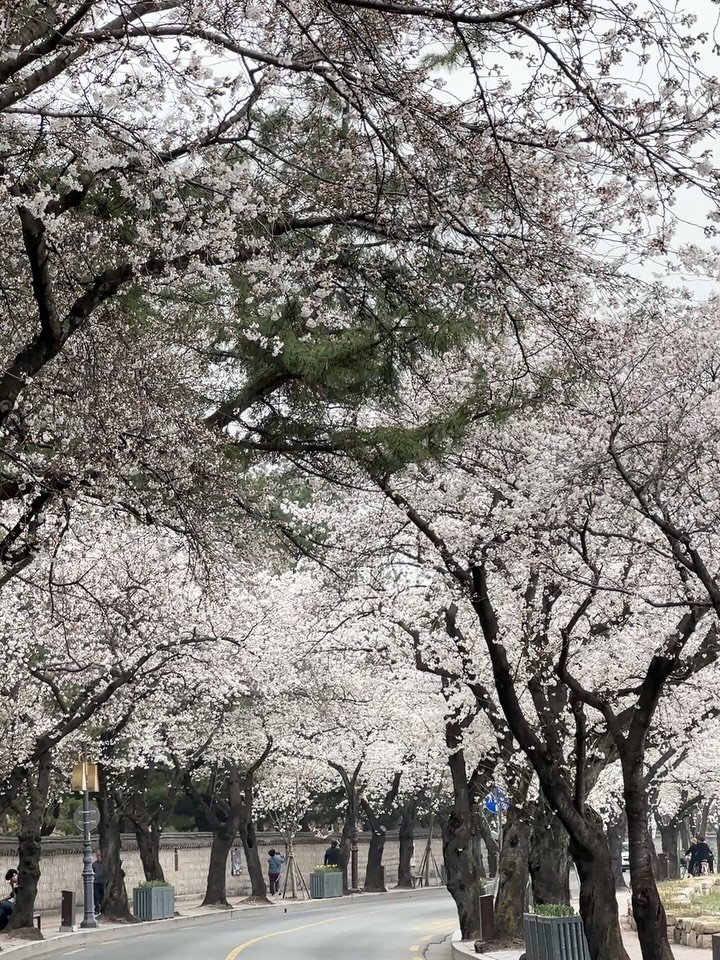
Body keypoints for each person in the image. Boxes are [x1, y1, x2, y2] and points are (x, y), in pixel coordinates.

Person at [92, 850, 104, 915]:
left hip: (103, 883)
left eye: (99, 855)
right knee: (96, 897)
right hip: (96, 882)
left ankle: (102, 909)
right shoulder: (94, 864)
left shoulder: (104, 863)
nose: (98, 857)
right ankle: (97, 909)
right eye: (97, 855)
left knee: (102, 897)